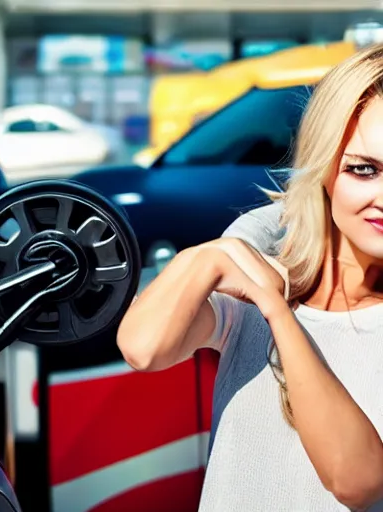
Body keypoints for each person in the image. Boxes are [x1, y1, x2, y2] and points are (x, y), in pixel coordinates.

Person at [117, 43, 383, 512]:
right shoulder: (268, 236)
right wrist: (202, 259)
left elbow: (355, 480)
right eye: (364, 170)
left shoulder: (270, 282)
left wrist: (279, 313)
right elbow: (145, 347)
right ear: (324, 169)